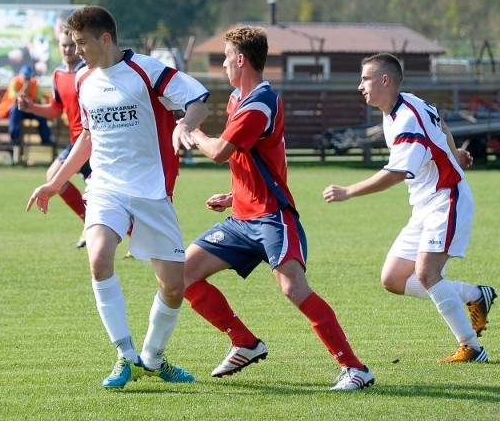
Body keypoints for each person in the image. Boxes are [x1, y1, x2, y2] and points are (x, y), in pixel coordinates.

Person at [25, 5, 211, 389]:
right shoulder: (83, 81)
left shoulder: (147, 70)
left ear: (105, 39)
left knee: (174, 287)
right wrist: (55, 182)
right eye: (73, 44)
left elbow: (198, 101)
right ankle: (125, 356)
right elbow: (88, 137)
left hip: (151, 191)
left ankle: (153, 358)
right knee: (98, 259)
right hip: (106, 186)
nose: (76, 51)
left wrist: (185, 125)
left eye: (81, 43)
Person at [183, 26, 375, 391]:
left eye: (225, 57)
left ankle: (355, 369)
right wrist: (233, 195)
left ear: (240, 59)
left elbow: (220, 151)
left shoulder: (259, 102)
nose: (223, 64)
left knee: (293, 289)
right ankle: (244, 342)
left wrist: (192, 131)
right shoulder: (239, 100)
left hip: (273, 217)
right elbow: (257, 159)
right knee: (182, 275)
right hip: (243, 217)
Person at [322, 53, 496, 363]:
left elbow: (397, 173)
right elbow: (440, 123)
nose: (359, 85)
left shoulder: (406, 121)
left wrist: (349, 191)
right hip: (424, 206)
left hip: (446, 199)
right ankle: (473, 295)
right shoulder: (405, 104)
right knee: (392, 279)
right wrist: (454, 153)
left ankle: (471, 347)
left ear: (385, 80)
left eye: (365, 78)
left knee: (427, 273)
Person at [18, 32, 90, 249]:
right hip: (76, 142)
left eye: (72, 45)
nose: (68, 49)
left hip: (94, 142)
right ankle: (89, 223)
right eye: (64, 45)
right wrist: (32, 108)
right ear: (58, 47)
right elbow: (56, 110)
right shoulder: (58, 75)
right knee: (53, 176)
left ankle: (135, 239)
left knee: (103, 194)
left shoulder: (88, 73)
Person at [0, 65, 52, 146]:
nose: (27, 79)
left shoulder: (34, 83)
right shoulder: (15, 82)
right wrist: (25, 88)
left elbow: (38, 98)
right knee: (15, 111)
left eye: (28, 77)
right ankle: (14, 140)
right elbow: (15, 99)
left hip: (29, 109)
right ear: (21, 75)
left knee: (41, 115)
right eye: (25, 77)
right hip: (17, 109)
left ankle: (46, 140)